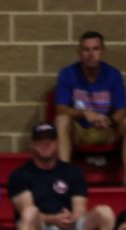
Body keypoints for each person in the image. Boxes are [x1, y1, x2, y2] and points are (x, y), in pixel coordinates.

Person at [7, 123, 116, 230]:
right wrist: (54, 219)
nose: (45, 144)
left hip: (71, 227)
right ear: (32, 144)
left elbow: (80, 207)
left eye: (49, 140)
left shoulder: (72, 172)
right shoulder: (20, 175)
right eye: (40, 140)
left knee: (104, 212)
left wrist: (70, 218)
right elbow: (26, 210)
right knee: (28, 213)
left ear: (58, 143)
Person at [54, 31, 126, 184]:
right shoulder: (68, 73)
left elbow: (122, 109)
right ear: (79, 53)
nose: (91, 54)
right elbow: (60, 109)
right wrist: (85, 114)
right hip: (80, 131)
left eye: (95, 49)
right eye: (86, 49)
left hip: (107, 130)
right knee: (62, 120)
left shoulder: (113, 74)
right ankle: (64, 177)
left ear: (102, 51)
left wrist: (110, 121)